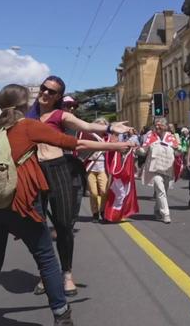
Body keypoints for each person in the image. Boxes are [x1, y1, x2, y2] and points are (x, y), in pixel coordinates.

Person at [0, 84, 136, 326]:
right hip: (22, 206)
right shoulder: (28, 126)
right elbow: (76, 144)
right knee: (47, 259)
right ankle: (62, 316)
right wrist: (115, 145)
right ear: (24, 105)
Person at [25, 75, 132, 296]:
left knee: (64, 225)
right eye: (44, 89)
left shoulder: (60, 115)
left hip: (58, 171)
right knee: (37, 227)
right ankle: (46, 273)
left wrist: (110, 127)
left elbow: (86, 126)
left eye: (51, 92)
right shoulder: (28, 115)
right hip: (33, 174)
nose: (45, 93)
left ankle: (66, 274)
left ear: (58, 97)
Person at [140, 117, 180, 224]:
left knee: (163, 192)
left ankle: (157, 210)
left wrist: (180, 151)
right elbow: (143, 151)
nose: (157, 126)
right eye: (156, 124)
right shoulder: (150, 136)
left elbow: (177, 151)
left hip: (168, 169)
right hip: (155, 169)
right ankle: (166, 214)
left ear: (165, 126)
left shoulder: (170, 137)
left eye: (160, 124)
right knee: (160, 190)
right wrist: (135, 149)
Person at [85, 118, 111, 223]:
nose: (101, 128)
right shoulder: (90, 137)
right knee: (93, 193)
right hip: (90, 167)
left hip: (103, 167)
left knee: (104, 191)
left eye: (103, 125)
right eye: (99, 125)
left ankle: (103, 211)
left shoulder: (108, 138)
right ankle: (95, 213)